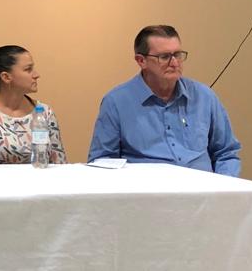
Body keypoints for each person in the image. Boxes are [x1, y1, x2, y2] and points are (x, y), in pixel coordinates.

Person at [88, 25, 240, 176]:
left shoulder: (204, 97)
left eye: (178, 55)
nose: (174, 63)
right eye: (165, 57)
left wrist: (224, 186)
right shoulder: (116, 102)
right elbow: (102, 162)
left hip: (205, 189)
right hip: (147, 189)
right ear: (141, 61)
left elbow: (226, 153)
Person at [0, 45, 66, 165]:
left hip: (43, 177)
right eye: (28, 69)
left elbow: (60, 164)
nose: (36, 75)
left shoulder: (44, 112)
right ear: (6, 77)